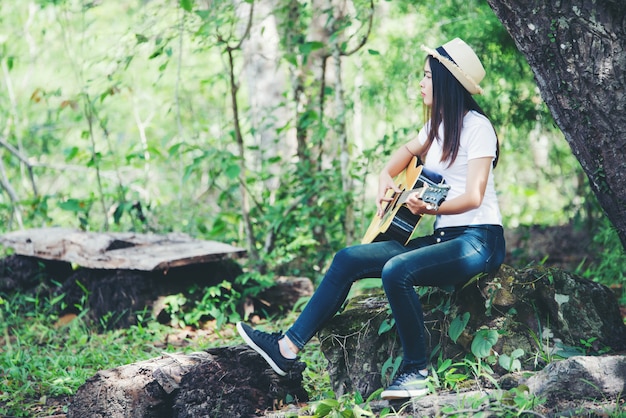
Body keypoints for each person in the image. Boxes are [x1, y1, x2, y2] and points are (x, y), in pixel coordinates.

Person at [237, 37, 505, 400]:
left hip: (479, 240)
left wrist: (430, 209)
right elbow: (397, 160)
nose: (420, 83)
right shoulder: (437, 128)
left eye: (426, 77)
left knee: (398, 269)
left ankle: (416, 371)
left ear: (446, 82)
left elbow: (474, 195)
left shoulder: (478, 128)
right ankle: (286, 349)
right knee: (348, 258)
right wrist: (385, 182)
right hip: (446, 239)